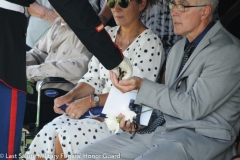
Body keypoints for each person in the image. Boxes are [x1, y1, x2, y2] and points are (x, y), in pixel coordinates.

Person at [79, 0, 240, 159]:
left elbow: (193, 107)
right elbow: (168, 101)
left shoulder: (228, 51)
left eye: (182, 6)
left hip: (200, 141)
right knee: (86, 156)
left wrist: (141, 86)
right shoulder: (178, 48)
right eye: (173, 4)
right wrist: (137, 119)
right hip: (163, 132)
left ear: (204, 12)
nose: (173, 12)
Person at [25, 0, 165, 158]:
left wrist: (91, 101)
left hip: (121, 122)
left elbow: (137, 92)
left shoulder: (150, 42)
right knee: (47, 133)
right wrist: (70, 96)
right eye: (111, 2)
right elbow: (92, 78)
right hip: (93, 114)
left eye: (124, 2)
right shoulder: (107, 35)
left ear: (141, 4)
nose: (116, 8)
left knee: (63, 137)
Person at [0, 0, 131, 157]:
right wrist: (115, 60)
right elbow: (39, 52)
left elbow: (76, 67)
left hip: (56, 90)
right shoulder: (59, 25)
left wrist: (22, 69)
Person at [24, 14, 93, 125]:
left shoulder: (84, 26)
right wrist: (13, 64)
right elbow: (39, 53)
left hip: (61, 97)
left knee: (7, 103)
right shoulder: (59, 23)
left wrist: (30, 71)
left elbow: (77, 69)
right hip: (40, 91)